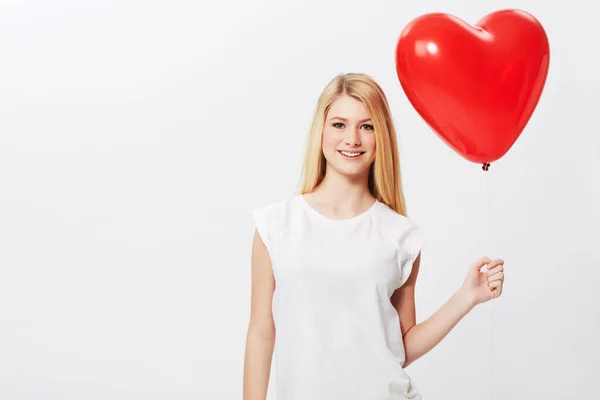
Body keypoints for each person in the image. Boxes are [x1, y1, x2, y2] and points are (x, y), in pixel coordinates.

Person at [243, 73, 505, 400]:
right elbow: (262, 333)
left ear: (381, 136)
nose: (352, 138)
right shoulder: (275, 224)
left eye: (366, 127)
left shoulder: (401, 236)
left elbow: (400, 346)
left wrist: (466, 297)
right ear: (320, 131)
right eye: (339, 124)